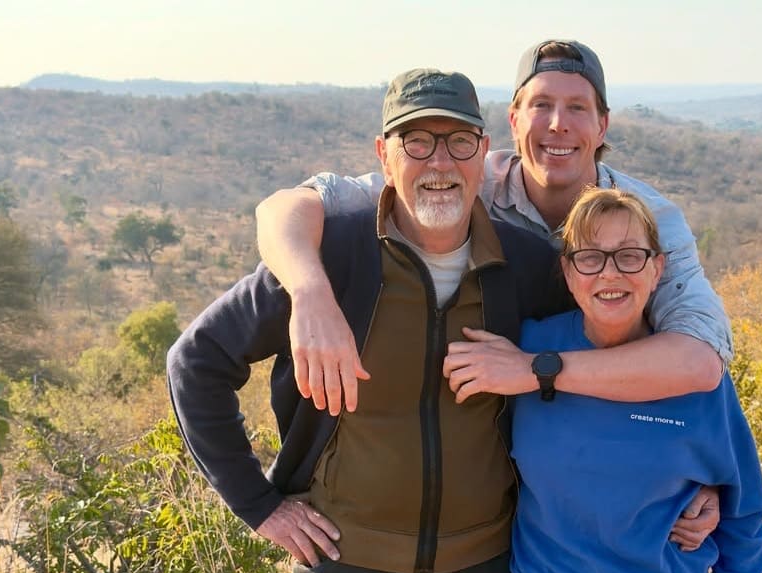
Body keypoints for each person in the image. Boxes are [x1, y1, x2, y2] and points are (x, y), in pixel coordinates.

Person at [254, 38, 730, 547]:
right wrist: (309, 295)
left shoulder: (649, 221)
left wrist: (536, 371)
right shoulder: (460, 179)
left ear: (602, 125)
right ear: (514, 119)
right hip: (497, 516)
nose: (557, 124)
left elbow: (701, 359)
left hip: (601, 508)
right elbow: (290, 205)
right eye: (541, 105)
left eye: (577, 108)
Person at [167, 68, 565, 573]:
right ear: (384, 155)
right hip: (344, 572)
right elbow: (196, 361)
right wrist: (259, 505)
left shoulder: (528, 265)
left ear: (483, 151)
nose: (440, 162)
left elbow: (596, 368)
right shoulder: (332, 257)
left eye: (459, 141)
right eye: (416, 142)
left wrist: (694, 484)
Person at [508, 188, 762, 573]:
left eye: (630, 256)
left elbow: (741, 487)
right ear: (569, 272)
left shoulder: (689, 368)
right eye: (590, 257)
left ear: (657, 269)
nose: (610, 274)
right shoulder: (525, 350)